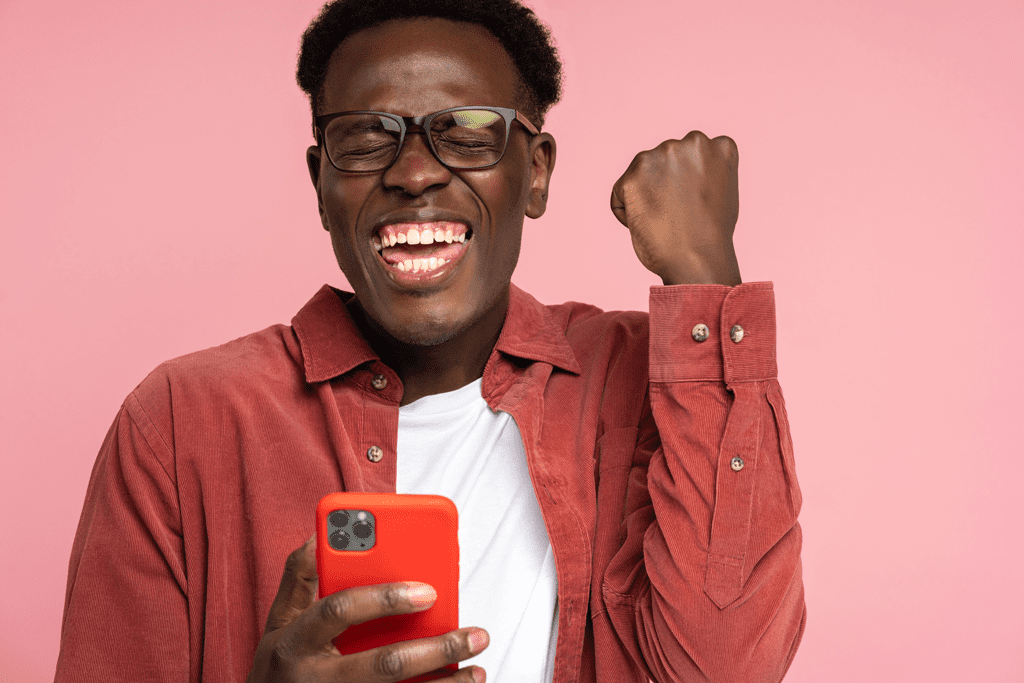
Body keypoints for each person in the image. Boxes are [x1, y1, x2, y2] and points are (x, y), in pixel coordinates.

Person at [55, 0, 805, 681]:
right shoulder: (181, 425)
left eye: (469, 133)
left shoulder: (647, 380)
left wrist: (704, 275)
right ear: (321, 183)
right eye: (364, 137)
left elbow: (725, 666)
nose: (414, 173)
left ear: (535, 173)